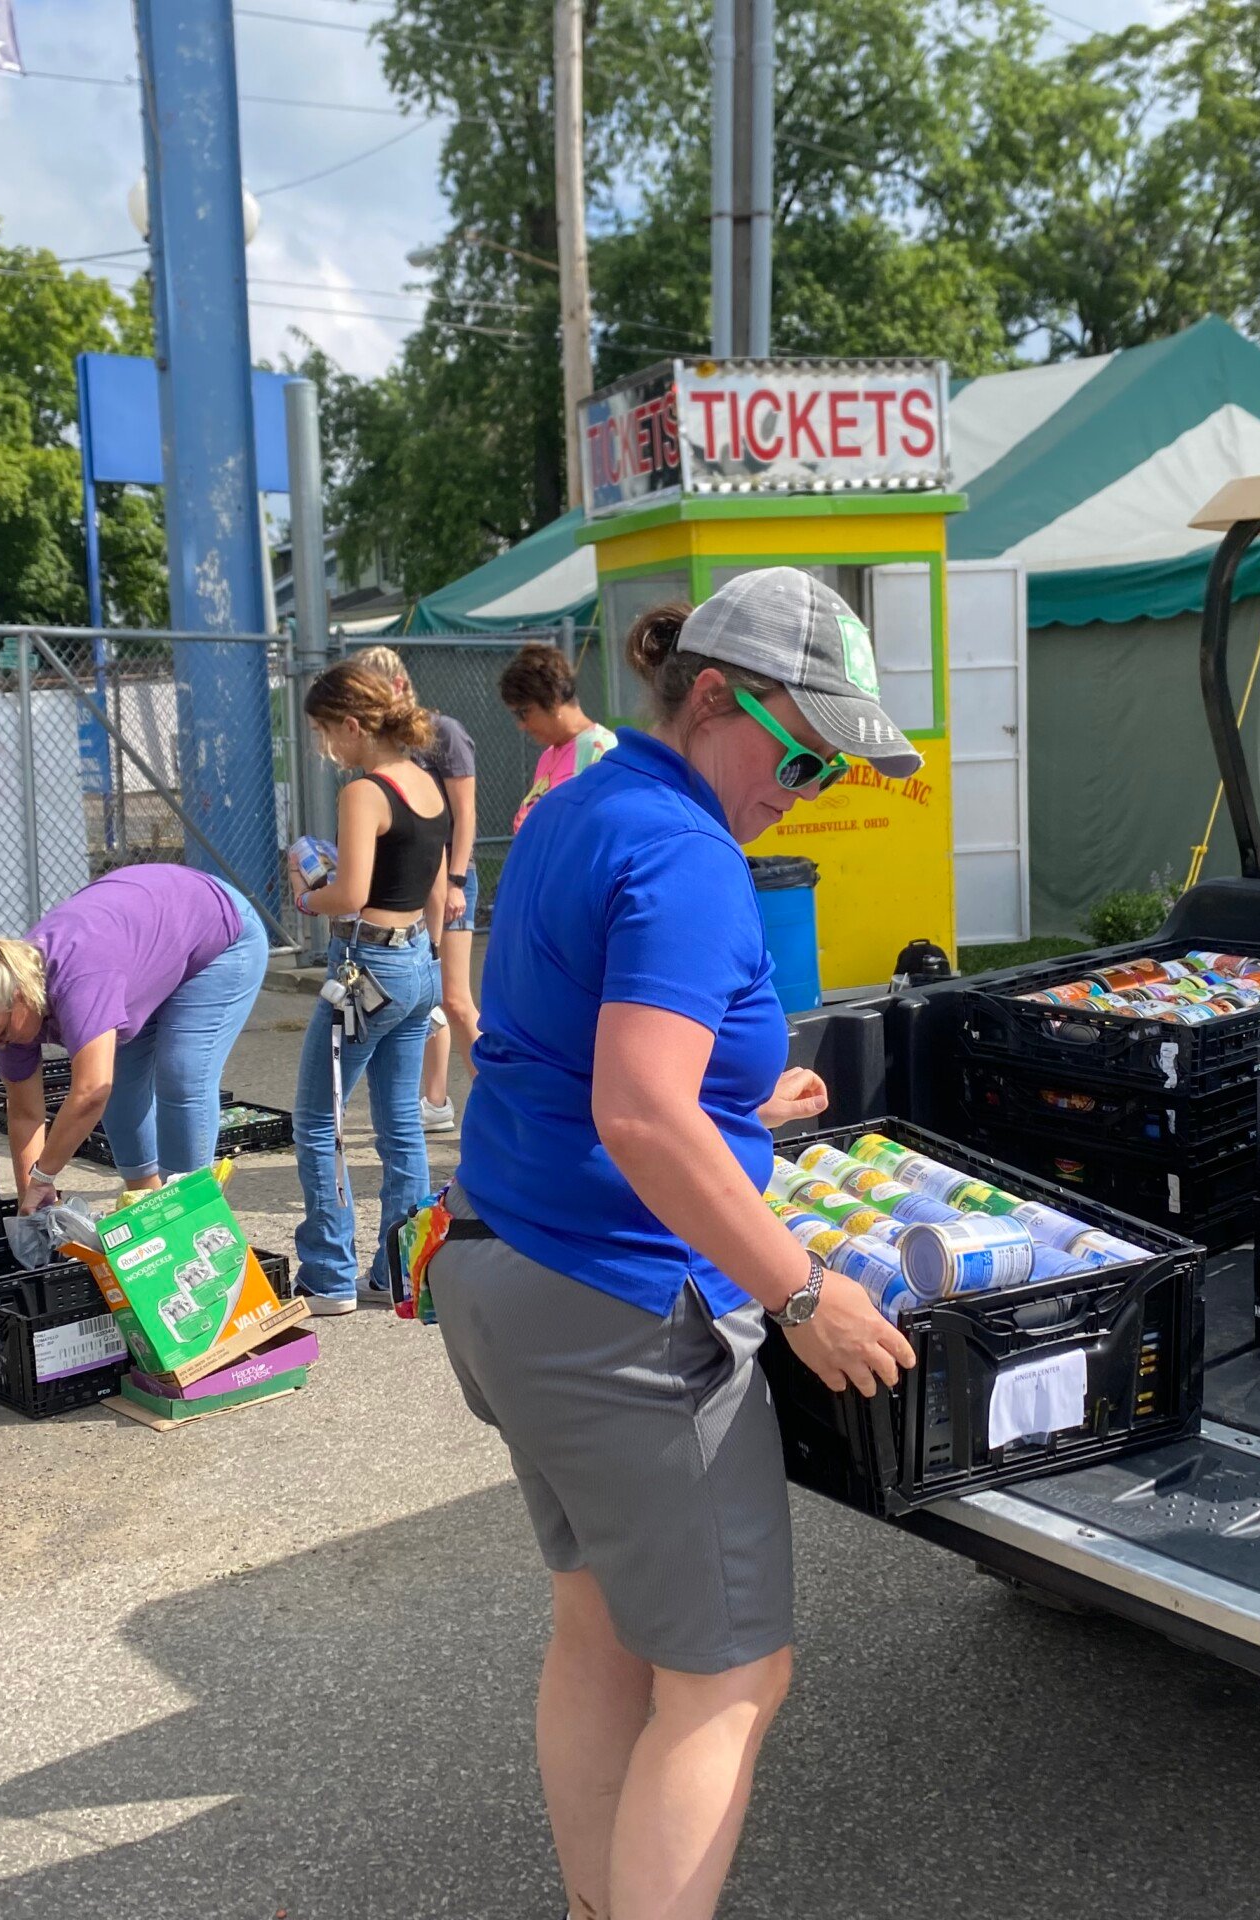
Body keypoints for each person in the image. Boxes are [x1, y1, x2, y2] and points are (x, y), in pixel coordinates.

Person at [429, 569, 919, 1920]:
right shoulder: (689, 851)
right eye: (802, 752)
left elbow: (569, 1045)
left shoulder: (582, 804)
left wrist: (736, 1103)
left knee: (601, 1631)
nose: (807, 786)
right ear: (715, 697)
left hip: (505, 1271)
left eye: (833, 769)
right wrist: (803, 1291)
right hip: (622, 1307)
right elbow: (641, 1111)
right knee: (730, 1679)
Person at [0, 865, 268, 1214]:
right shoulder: (10, 1008)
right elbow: (24, 1114)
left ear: (20, 997)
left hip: (218, 932)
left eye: (2, 1034)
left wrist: (44, 1174)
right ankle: (146, 1202)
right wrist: (31, 1203)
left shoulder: (79, 979)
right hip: (140, 941)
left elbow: (90, 1092)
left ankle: (186, 1213)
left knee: (181, 1072)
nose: (3, 1046)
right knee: (123, 1085)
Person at [288, 659, 450, 1312]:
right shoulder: (428, 783)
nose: (327, 749)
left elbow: (350, 894)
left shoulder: (364, 792)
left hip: (365, 973)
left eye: (328, 733)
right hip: (416, 969)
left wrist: (305, 894)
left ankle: (328, 1275)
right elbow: (433, 885)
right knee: (399, 1125)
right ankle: (398, 1272)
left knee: (317, 1119)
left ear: (353, 724)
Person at [350, 645, 482, 1138]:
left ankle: (499, 1100)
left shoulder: (443, 733)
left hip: (446, 880)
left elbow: (464, 814)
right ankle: (434, 1100)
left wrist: (456, 880)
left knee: (455, 999)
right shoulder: (382, 744)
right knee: (423, 996)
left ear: (400, 687)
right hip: (408, 882)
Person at [500, 639, 616, 833]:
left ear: (553, 699)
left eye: (524, 712)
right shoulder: (548, 756)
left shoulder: (601, 749)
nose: (521, 725)